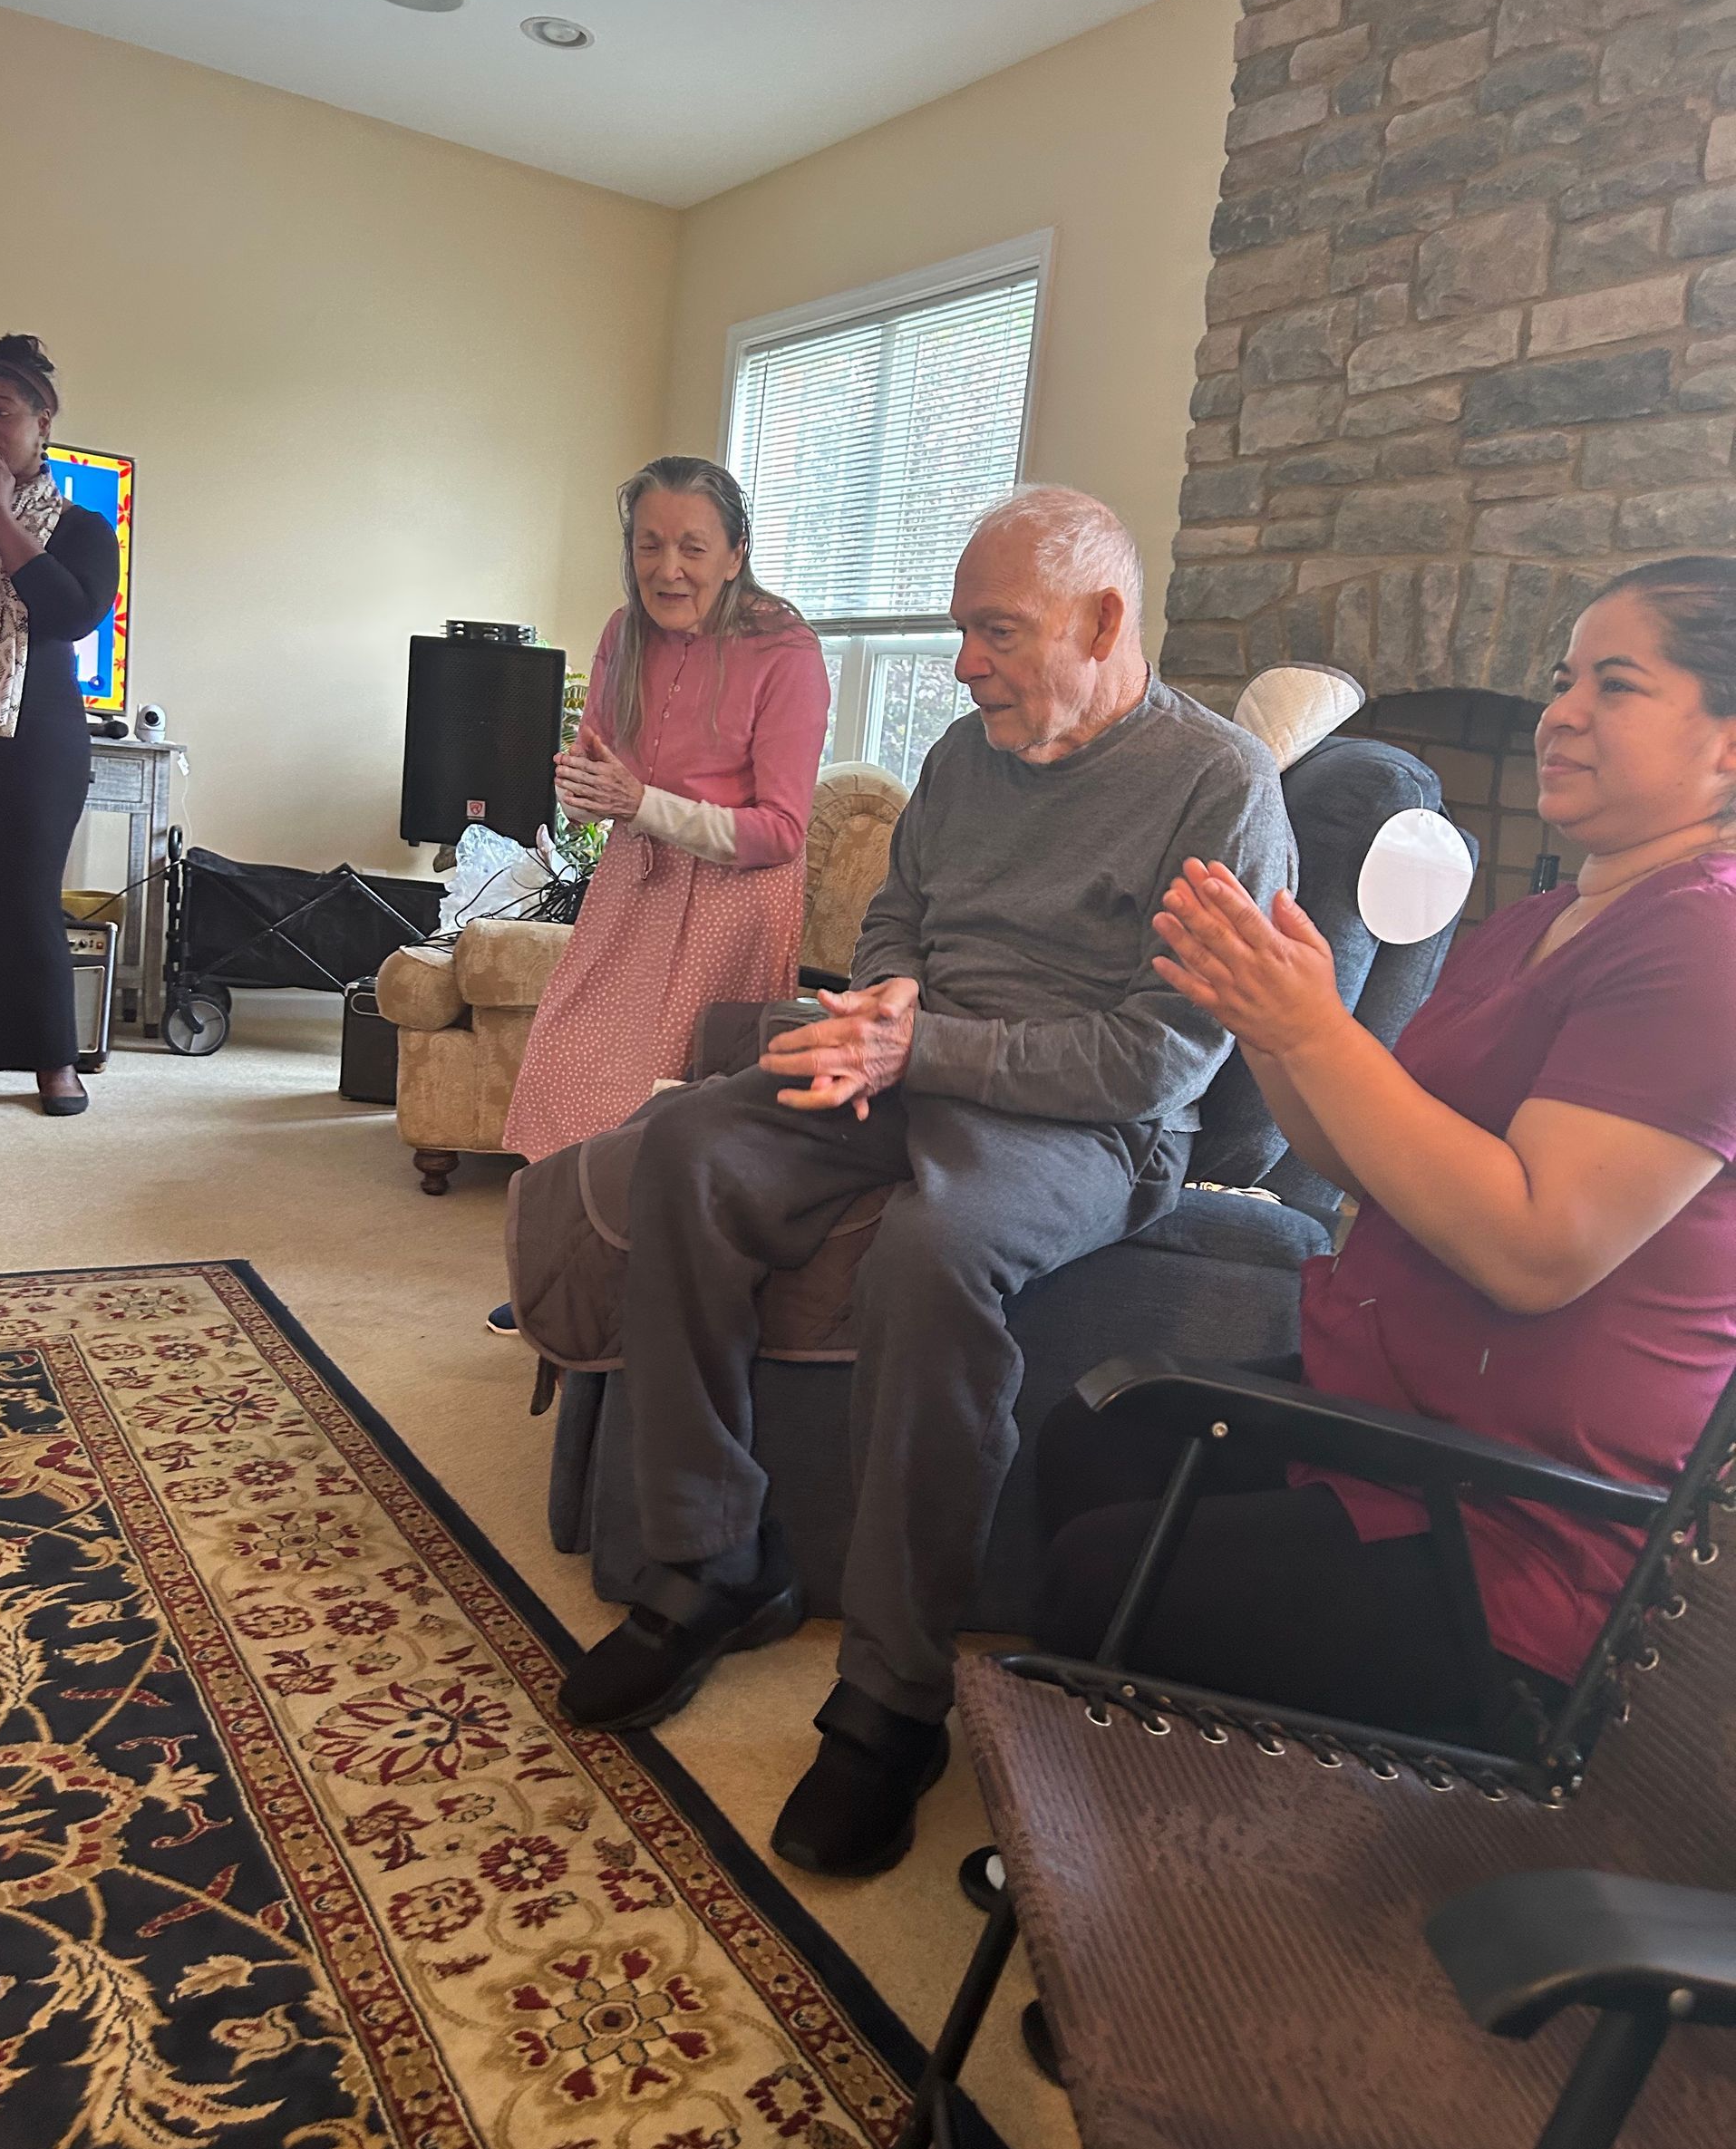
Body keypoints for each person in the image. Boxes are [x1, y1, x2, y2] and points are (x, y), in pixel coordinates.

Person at [554, 486, 1296, 1876]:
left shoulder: (1219, 789)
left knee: (936, 1252)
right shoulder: (965, 758)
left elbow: (1158, 1064)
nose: (964, 665)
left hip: (1084, 1126)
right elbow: (898, 909)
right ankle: (716, 1561)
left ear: (1105, 619)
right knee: (685, 1150)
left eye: (996, 632)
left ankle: (893, 1700)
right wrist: (880, 1004)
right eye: (961, 633)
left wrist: (925, 1043)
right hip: (907, 1067)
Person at [1039, 556, 1736, 1747]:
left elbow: (1531, 1249)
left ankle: (1198, 1863)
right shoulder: (1532, 922)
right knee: (1094, 1441)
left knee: (1113, 1568)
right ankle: (1139, 1794)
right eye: (1564, 679)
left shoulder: (1708, 944)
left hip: (1514, 1527)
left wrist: (1315, 1025)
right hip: (1396, 1421)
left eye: (1616, 687)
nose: (1561, 712)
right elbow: (1375, 1158)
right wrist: (1274, 1027)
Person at [489, 456, 829, 1331]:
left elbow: (782, 832)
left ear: (736, 552)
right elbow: (608, 761)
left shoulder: (785, 651)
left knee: (658, 1096)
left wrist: (644, 804)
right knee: (566, 1058)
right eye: (648, 544)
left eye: (691, 546)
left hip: (730, 898)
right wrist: (590, 788)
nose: (666, 568)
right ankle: (565, 1277)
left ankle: (643, 1295)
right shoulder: (622, 631)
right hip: (635, 878)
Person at [0, 335, 120, 1115]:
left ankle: (53, 1061)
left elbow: (71, 616)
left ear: (44, 421)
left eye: (0, 411)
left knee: (28, 893)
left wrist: (0, 520)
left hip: (38, 737)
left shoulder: (81, 528)